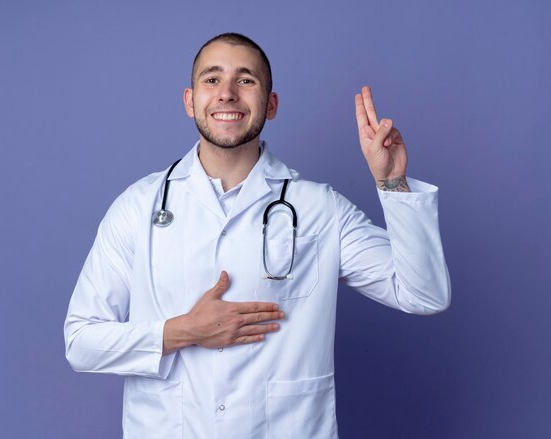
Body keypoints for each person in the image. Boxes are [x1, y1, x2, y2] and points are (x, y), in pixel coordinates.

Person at [64, 32, 450, 438]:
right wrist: (183, 331)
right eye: (211, 80)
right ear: (189, 101)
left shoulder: (320, 209)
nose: (227, 93)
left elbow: (424, 295)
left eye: (245, 80)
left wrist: (392, 184)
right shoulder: (138, 206)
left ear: (271, 104)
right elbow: (81, 342)